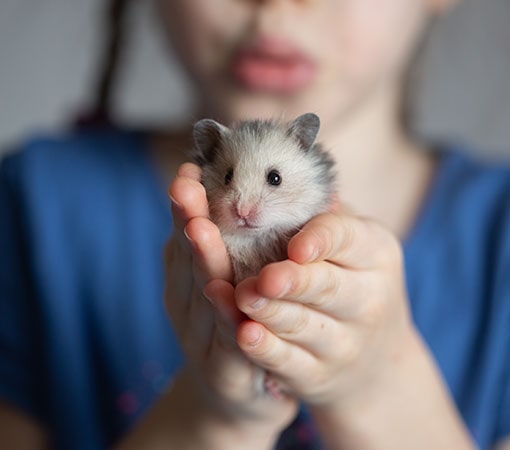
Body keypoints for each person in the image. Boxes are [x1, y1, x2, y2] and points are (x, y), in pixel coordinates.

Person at [0, 0, 509, 449]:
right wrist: (217, 413)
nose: (275, 6)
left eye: (272, 179)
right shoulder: (32, 203)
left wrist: (371, 388)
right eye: (227, 179)